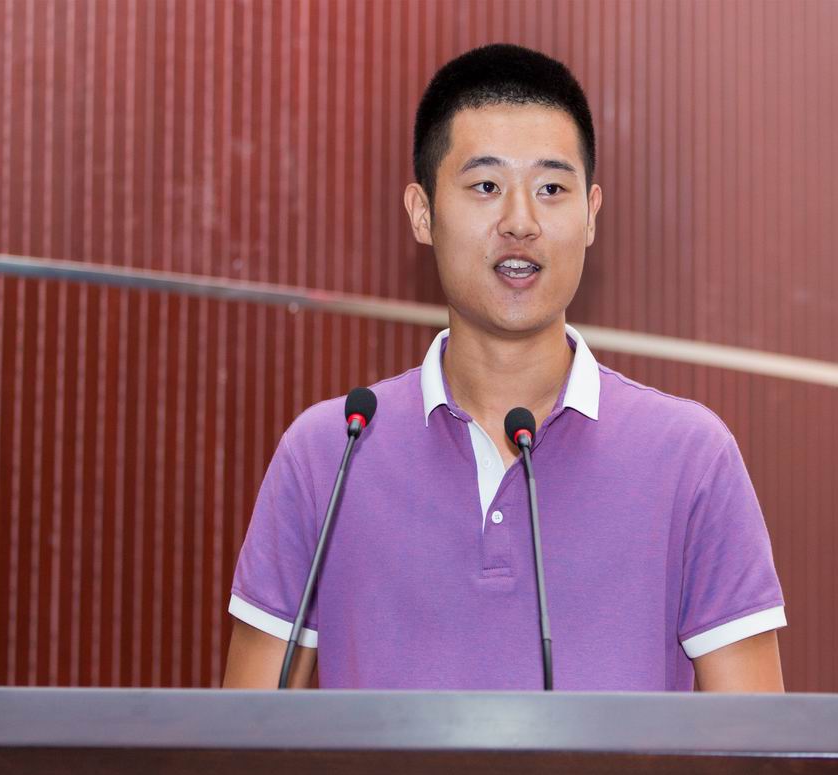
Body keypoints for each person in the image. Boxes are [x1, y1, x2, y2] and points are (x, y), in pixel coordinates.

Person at [226, 44, 784, 696]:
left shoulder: (691, 457)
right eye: (486, 187)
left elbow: (756, 749)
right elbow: (246, 742)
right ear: (423, 213)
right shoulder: (330, 452)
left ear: (591, 215)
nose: (520, 222)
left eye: (551, 189)